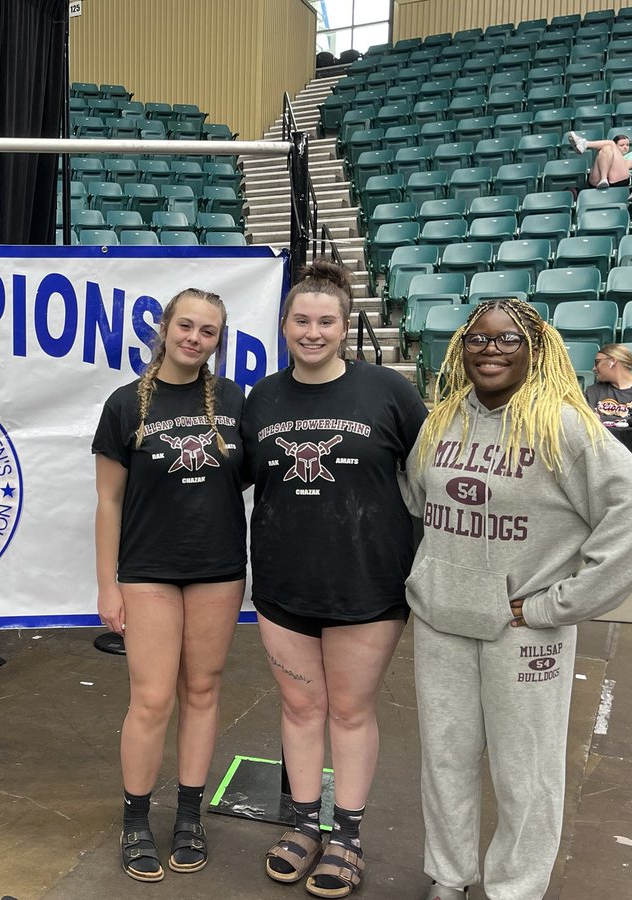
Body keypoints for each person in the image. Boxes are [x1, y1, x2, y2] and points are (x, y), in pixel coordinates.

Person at [403, 298, 632, 900]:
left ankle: (515, 889)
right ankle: (449, 876)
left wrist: (559, 604)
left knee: (525, 771)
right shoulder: (441, 420)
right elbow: (418, 499)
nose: (490, 350)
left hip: (524, 631)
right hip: (442, 620)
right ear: (461, 349)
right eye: (477, 339)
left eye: (508, 340)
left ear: (536, 349)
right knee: (445, 760)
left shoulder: (563, 426)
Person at [241, 258, 428, 899]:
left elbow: (434, 474)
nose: (312, 332)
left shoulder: (389, 391)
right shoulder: (261, 398)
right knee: (300, 707)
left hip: (368, 582)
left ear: (345, 326)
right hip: (282, 581)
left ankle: (346, 836)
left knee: (349, 712)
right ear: (284, 325)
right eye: (301, 320)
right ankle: (302, 824)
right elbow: (234, 477)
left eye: (325, 321)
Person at [92, 288, 247, 882]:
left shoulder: (234, 400)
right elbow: (108, 501)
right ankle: (135, 819)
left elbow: (249, 476)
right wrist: (108, 585)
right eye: (186, 326)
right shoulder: (124, 404)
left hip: (218, 568)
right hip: (148, 570)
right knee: (153, 698)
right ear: (164, 327)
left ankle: (188, 816)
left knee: (202, 691)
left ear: (218, 341)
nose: (194, 339)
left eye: (208, 332)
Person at [565, 131, 632, 189]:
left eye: (627, 145)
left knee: (610, 143)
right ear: (615, 146)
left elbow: (627, 166)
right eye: (622, 145)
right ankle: (603, 179)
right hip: (598, 181)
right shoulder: (604, 152)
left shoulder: (631, 154)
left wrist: (613, 161)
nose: (625, 147)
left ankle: (585, 144)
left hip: (620, 180)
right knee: (606, 148)